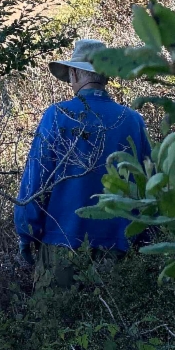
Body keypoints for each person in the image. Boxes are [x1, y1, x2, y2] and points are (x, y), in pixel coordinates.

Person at [14, 38, 152, 290]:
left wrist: (26, 232)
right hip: (118, 250)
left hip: (62, 246)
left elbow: (36, 181)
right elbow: (148, 186)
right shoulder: (132, 120)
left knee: (53, 328)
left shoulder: (57, 116)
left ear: (76, 72)